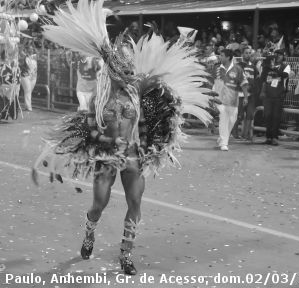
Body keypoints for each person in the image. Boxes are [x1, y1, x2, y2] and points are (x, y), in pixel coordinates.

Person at [35, 0, 211, 276]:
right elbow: (90, 129)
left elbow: (160, 84)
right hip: (106, 157)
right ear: (111, 73)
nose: (129, 76)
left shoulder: (136, 89)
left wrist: (170, 107)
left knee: (135, 203)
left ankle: (126, 254)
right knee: (99, 204)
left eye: (130, 71)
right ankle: (89, 233)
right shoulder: (99, 98)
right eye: (123, 72)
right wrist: (101, 144)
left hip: (133, 157)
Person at [213, 49, 249, 151]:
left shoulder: (238, 69)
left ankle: (222, 138)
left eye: (222, 55)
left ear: (228, 57)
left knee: (232, 120)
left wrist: (246, 97)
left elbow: (244, 83)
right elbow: (214, 83)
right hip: (220, 99)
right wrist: (212, 97)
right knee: (223, 118)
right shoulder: (217, 68)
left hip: (233, 99)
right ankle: (224, 143)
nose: (220, 57)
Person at [260, 49, 290, 145]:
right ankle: (268, 137)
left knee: (276, 117)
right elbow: (263, 77)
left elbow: (285, 74)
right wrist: (268, 68)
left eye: (280, 55)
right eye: (276, 55)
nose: (278, 57)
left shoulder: (286, 66)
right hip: (268, 95)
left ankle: (274, 137)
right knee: (267, 116)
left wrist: (274, 71)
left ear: (283, 56)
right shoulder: (267, 67)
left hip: (279, 95)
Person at [20, 45, 38, 111]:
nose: (32, 50)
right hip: (25, 76)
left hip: (33, 77)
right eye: (30, 49)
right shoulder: (25, 56)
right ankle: (29, 107)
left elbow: (41, 53)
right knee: (27, 90)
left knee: (29, 91)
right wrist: (24, 43)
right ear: (27, 50)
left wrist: (41, 43)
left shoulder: (34, 57)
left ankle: (26, 106)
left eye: (32, 49)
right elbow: (20, 51)